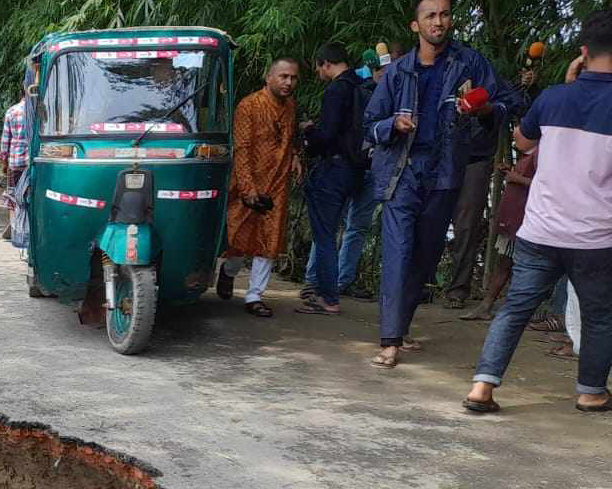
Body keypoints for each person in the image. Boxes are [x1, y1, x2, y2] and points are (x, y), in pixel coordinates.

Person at [465, 17, 612, 414]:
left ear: (583, 52)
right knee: (599, 317)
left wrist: (568, 89)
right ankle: (591, 392)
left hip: (541, 231)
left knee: (515, 309)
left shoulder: (552, 97)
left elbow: (523, 141)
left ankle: (482, 386)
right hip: (595, 239)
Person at [363, 0, 521, 369]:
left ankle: (400, 327)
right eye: (430, 15)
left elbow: (506, 103)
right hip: (402, 173)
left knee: (426, 255)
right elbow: (370, 126)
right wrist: (393, 125)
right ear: (415, 25)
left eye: (445, 14)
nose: (439, 21)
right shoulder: (398, 72)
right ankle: (390, 341)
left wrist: (483, 109)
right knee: (398, 252)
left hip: (447, 173)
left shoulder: (470, 63)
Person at [217, 59, 301, 317]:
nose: (288, 82)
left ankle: (254, 296)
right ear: (269, 78)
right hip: (248, 182)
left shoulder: (291, 106)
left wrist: (295, 156)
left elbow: (289, 138)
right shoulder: (249, 105)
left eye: (293, 78)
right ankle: (228, 272)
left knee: (269, 239)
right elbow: (241, 149)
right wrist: (248, 190)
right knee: (239, 238)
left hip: (278, 183)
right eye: (283, 76)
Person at [297, 44, 370, 316]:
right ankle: (326, 291)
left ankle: (328, 297)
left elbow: (327, 135)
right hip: (357, 169)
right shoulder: (362, 85)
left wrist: (309, 133)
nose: (318, 73)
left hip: (334, 168)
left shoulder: (336, 90)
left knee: (325, 235)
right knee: (337, 230)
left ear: (326, 63)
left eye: (318, 67)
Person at [459, 144, 535, 321]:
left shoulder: (543, 152)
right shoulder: (530, 154)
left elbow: (548, 186)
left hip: (526, 220)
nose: (516, 135)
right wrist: (513, 173)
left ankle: (505, 309)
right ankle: (488, 305)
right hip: (516, 218)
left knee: (514, 265)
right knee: (505, 262)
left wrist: (517, 178)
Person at [0, 84, 33, 241]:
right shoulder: (39, 111)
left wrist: (4, 161)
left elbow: (6, 140)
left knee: (13, 197)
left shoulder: (12, 111)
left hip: (16, 161)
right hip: (33, 162)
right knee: (31, 195)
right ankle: (30, 231)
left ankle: (16, 231)